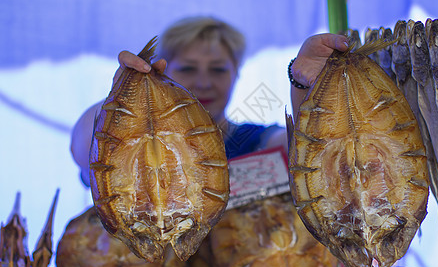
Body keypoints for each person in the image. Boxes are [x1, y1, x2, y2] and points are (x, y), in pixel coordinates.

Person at [70, 15, 348, 187]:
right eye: (188, 69)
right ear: (162, 71)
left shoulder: (253, 140)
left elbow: (308, 152)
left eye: (217, 69)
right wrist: (125, 93)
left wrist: (303, 82)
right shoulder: (136, 148)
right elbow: (83, 149)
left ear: (236, 74)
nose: (203, 82)